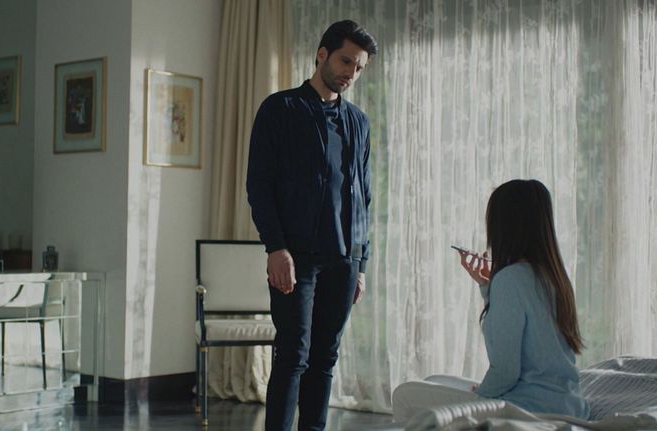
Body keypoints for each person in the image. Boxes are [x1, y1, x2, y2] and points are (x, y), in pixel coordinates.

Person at [246, 20, 378, 431]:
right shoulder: (280, 109)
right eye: (345, 62)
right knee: (293, 356)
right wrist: (275, 247)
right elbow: (259, 185)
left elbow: (364, 196)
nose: (351, 73)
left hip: (344, 260)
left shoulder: (358, 122)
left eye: (359, 68)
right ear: (322, 54)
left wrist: (361, 264)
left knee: (325, 358)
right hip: (295, 257)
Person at [393, 179, 590, 422]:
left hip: (530, 407)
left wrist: (484, 394)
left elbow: (506, 371)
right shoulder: (555, 276)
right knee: (435, 380)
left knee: (404, 394)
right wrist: (487, 286)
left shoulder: (510, 279)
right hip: (568, 404)